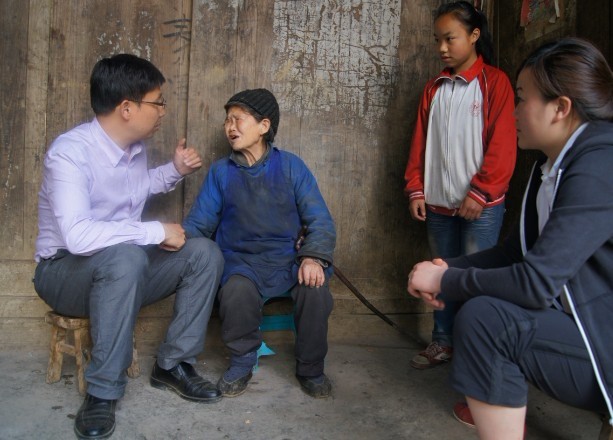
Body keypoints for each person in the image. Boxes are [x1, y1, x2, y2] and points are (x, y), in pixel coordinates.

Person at [407, 37, 613, 440]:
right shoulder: (549, 166)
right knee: (484, 311)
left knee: (486, 321)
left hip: (601, 336)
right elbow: (514, 253)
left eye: (522, 99)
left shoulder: (600, 163)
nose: (515, 111)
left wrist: (446, 280)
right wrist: (448, 268)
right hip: (589, 327)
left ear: (561, 108)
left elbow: (535, 283)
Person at [33, 54, 225, 440]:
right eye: (157, 102)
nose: (162, 111)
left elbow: (134, 190)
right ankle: (103, 390)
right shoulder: (70, 153)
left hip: (124, 272)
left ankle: (173, 365)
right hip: (63, 272)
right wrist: (155, 231)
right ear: (126, 108)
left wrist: (175, 171)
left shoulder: (134, 150)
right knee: (125, 256)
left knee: (204, 253)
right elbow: (79, 236)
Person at [183, 88, 336, 399]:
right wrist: (174, 242)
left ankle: (310, 368)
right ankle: (242, 361)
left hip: (288, 261)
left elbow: (320, 220)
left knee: (315, 291)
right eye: (227, 120)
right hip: (241, 263)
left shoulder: (291, 167)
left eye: (238, 119)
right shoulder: (221, 173)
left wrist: (312, 258)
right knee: (235, 292)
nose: (230, 127)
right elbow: (199, 224)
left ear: (264, 126)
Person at [403, 1, 517, 370]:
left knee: (475, 280)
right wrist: (416, 188)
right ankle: (442, 342)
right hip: (438, 204)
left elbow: (503, 144)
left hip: (481, 206)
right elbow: (420, 143)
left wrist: (481, 192)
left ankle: (473, 350)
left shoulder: (494, 83)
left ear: (474, 35)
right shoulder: (434, 88)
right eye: (438, 39)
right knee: (441, 275)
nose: (442, 47)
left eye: (450, 38)